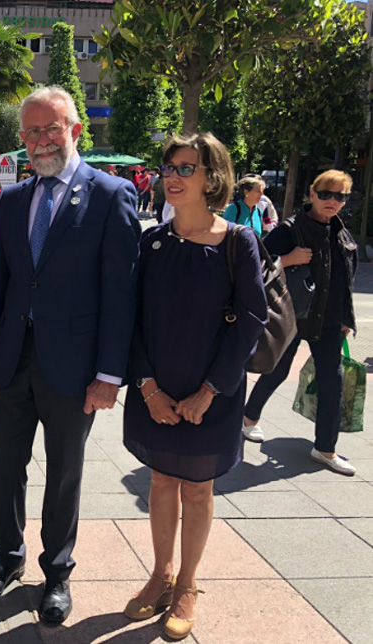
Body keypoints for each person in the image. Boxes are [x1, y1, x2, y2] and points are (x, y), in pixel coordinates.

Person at [0, 86, 141, 625]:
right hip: (13, 358)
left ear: (76, 130)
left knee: (65, 473)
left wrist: (111, 374)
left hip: (77, 367)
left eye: (53, 128)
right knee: (3, 469)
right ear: (21, 139)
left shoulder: (111, 194)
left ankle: (58, 573)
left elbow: (122, 292)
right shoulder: (14, 199)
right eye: (33, 131)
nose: (43, 139)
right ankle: (7, 558)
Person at [122, 133, 267, 640]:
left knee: (198, 489)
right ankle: (160, 574)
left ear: (214, 178)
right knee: (162, 481)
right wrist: (146, 387)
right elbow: (131, 320)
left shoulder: (237, 242)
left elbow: (251, 319)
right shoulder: (152, 242)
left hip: (213, 393)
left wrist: (210, 391)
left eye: (187, 168)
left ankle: (187, 583)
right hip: (156, 389)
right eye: (169, 167)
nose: (173, 176)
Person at [242, 170, 358, 475]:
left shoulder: (342, 232)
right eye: (326, 194)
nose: (333, 201)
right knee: (276, 370)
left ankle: (325, 449)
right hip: (292, 314)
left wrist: (347, 318)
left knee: (333, 381)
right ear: (312, 193)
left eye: (341, 196)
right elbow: (256, 263)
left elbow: (346, 279)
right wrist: (289, 259)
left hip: (329, 320)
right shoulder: (290, 230)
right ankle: (248, 418)